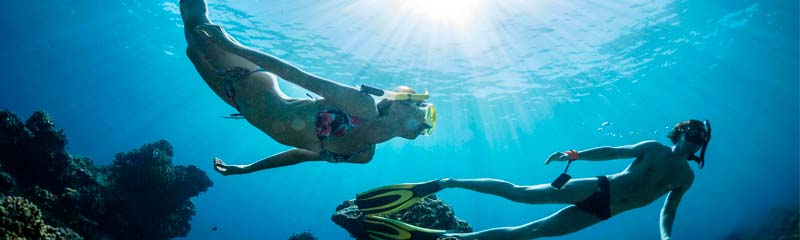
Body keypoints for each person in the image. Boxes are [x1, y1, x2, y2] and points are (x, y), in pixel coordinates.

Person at [179, 0, 436, 175]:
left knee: (192, 48)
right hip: (248, 80)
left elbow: (299, 155)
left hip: (239, 102)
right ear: (398, 104)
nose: (425, 118)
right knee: (197, 25)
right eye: (420, 106)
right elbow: (296, 75)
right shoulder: (362, 106)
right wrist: (233, 48)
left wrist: (246, 169)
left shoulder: (362, 155)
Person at [354, 120, 711, 240]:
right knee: (522, 195)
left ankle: (453, 239)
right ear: (679, 134)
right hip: (600, 187)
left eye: (699, 139)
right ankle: (448, 181)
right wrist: (576, 155)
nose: (694, 141)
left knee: (530, 234)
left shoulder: (685, 177)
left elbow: (669, 209)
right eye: (691, 134)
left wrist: (666, 236)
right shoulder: (653, 149)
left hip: (605, 211)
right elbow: (613, 151)